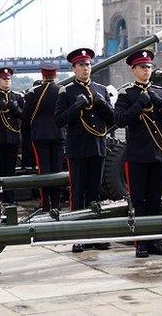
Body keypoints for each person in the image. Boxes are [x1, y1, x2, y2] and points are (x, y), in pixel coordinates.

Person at [114, 49, 162, 259]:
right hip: (137, 156)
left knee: (154, 201)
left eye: (149, 67)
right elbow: (120, 120)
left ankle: (154, 240)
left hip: (158, 154)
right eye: (142, 67)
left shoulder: (161, 92)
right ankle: (141, 242)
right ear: (133, 70)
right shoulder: (126, 94)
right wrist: (139, 104)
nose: (146, 71)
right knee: (138, 201)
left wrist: (158, 102)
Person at [54, 47, 114, 252]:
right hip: (78, 148)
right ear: (73, 68)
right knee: (78, 193)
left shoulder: (101, 89)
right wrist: (76, 106)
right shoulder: (67, 91)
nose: (85, 68)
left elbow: (113, 120)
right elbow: (59, 120)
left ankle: (95, 234)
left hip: (98, 146)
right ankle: (78, 235)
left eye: (88, 64)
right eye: (81, 65)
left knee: (95, 193)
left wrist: (103, 104)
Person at [23, 62, 65, 211]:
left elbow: (26, 116)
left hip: (40, 135)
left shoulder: (34, 92)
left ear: (42, 74)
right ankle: (56, 204)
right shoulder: (61, 90)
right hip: (58, 134)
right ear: (55, 74)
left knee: (43, 171)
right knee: (57, 171)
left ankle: (46, 205)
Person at [0, 67, 24, 204]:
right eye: (4, 79)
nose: (7, 81)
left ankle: (11, 198)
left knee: (11, 170)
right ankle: (1, 199)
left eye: (8, 79)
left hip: (12, 137)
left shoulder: (17, 97)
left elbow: (25, 116)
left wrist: (16, 108)